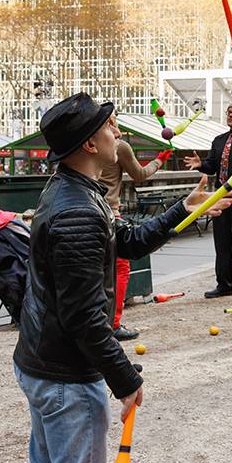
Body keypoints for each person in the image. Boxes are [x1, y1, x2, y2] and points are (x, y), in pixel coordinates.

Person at [14, 93, 232, 463]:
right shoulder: (78, 210)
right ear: (90, 143)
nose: (117, 133)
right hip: (66, 376)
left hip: (43, 362)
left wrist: (182, 210)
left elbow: (126, 241)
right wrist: (125, 379)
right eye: (110, 127)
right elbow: (83, 317)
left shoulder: (73, 189)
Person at [99, 117, 173, 341]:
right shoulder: (118, 146)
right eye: (113, 123)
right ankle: (113, 324)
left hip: (86, 207)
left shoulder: (85, 142)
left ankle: (95, 323)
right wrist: (159, 160)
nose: (118, 131)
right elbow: (139, 175)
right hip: (109, 212)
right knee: (120, 266)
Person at [184, 101, 232, 300]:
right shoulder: (218, 140)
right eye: (228, 112)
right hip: (220, 198)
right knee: (222, 243)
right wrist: (200, 164)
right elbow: (212, 167)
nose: (230, 115)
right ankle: (224, 285)